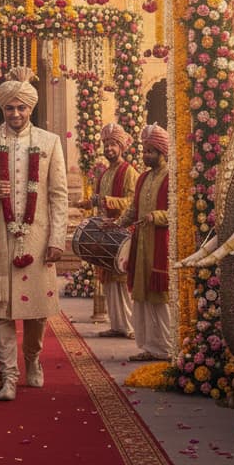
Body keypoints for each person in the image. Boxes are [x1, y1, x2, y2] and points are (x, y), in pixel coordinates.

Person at [0, 66, 69, 402]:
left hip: (36, 236)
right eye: (10, 107)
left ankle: (33, 358)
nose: (16, 113)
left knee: (36, 310)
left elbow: (58, 195)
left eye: (22, 107)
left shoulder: (49, 143)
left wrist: (56, 239)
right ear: (2, 109)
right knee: (0, 308)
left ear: (31, 108)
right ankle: (8, 376)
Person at [75, 122, 138, 339]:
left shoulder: (129, 172)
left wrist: (106, 201)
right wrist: (89, 203)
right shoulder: (104, 174)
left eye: (113, 145)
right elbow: (100, 200)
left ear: (121, 147)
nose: (109, 149)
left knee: (122, 281)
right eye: (106, 145)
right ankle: (117, 325)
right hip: (106, 234)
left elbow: (132, 201)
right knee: (110, 283)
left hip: (122, 233)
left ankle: (130, 327)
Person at [117, 123, 170, 362]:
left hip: (161, 245)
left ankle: (167, 348)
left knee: (160, 298)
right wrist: (118, 223)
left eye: (151, 151)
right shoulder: (143, 178)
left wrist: (156, 216)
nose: (146, 155)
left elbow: (178, 212)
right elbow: (134, 208)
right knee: (143, 298)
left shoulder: (172, 178)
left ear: (162, 153)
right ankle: (150, 346)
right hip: (142, 244)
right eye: (144, 150)